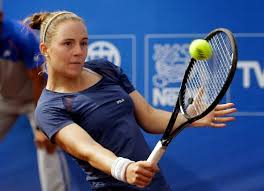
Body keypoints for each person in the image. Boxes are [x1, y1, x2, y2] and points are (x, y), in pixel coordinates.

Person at [29, 10, 237, 191]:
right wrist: (124, 168)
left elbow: (148, 116)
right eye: (68, 44)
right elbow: (89, 150)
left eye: (84, 43)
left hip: (155, 185)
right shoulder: (49, 108)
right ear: (45, 49)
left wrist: (189, 118)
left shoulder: (104, 68)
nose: (78, 51)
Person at [0, 6, 72, 191]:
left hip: (36, 99)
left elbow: (37, 80)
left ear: (0, 15)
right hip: (5, 99)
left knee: (46, 143)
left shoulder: (20, 36)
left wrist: (42, 124)